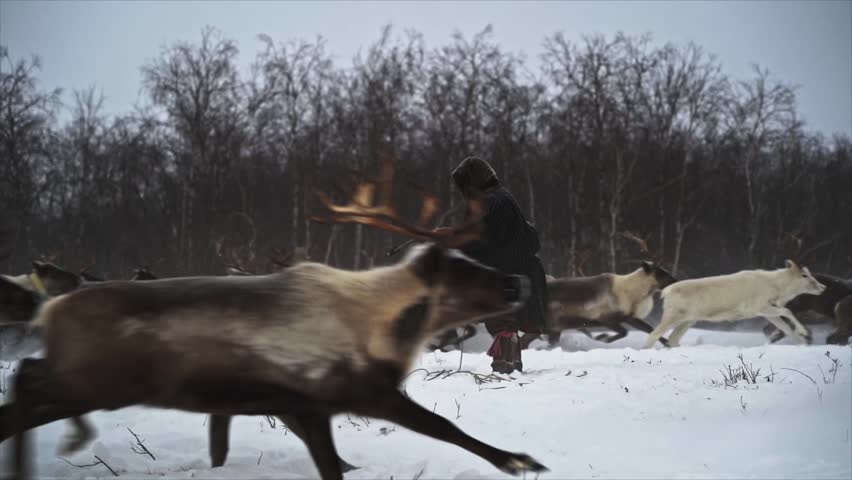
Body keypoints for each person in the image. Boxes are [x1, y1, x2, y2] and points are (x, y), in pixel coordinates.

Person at [437, 156, 549, 374]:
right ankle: (510, 363)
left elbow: (487, 241)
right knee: (503, 319)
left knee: (502, 319)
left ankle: (505, 363)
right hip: (512, 269)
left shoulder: (492, 201)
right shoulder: (499, 197)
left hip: (506, 271)